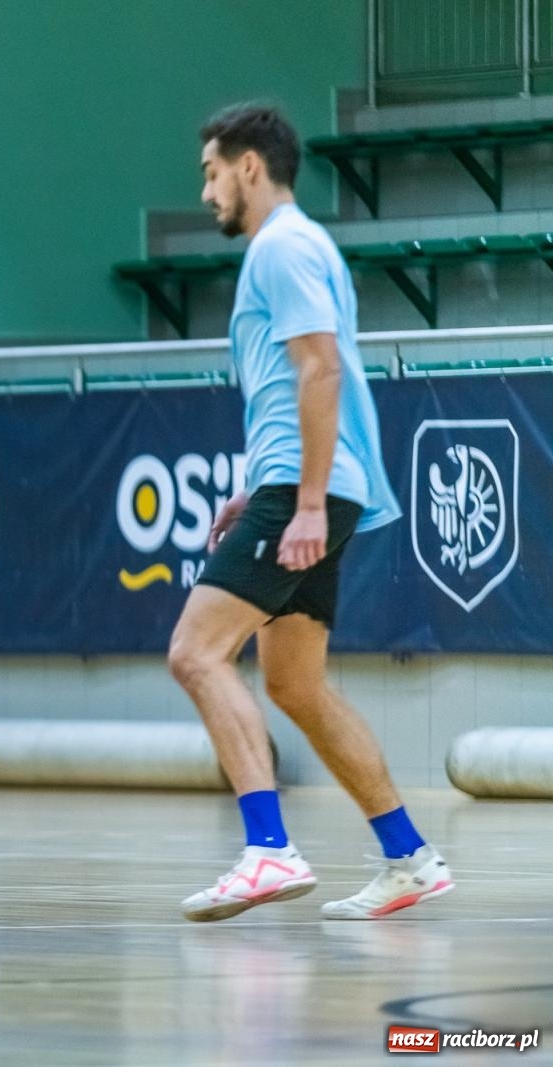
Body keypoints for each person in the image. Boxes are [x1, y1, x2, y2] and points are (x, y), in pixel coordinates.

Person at [169, 104, 454, 922]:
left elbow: (320, 370)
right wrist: (263, 484)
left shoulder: (282, 247)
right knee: (295, 683)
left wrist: (303, 501)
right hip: (303, 480)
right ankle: (409, 856)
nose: (208, 192)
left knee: (195, 652)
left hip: (310, 486)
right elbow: (296, 383)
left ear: (249, 166)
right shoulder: (299, 246)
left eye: (212, 173)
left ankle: (268, 848)